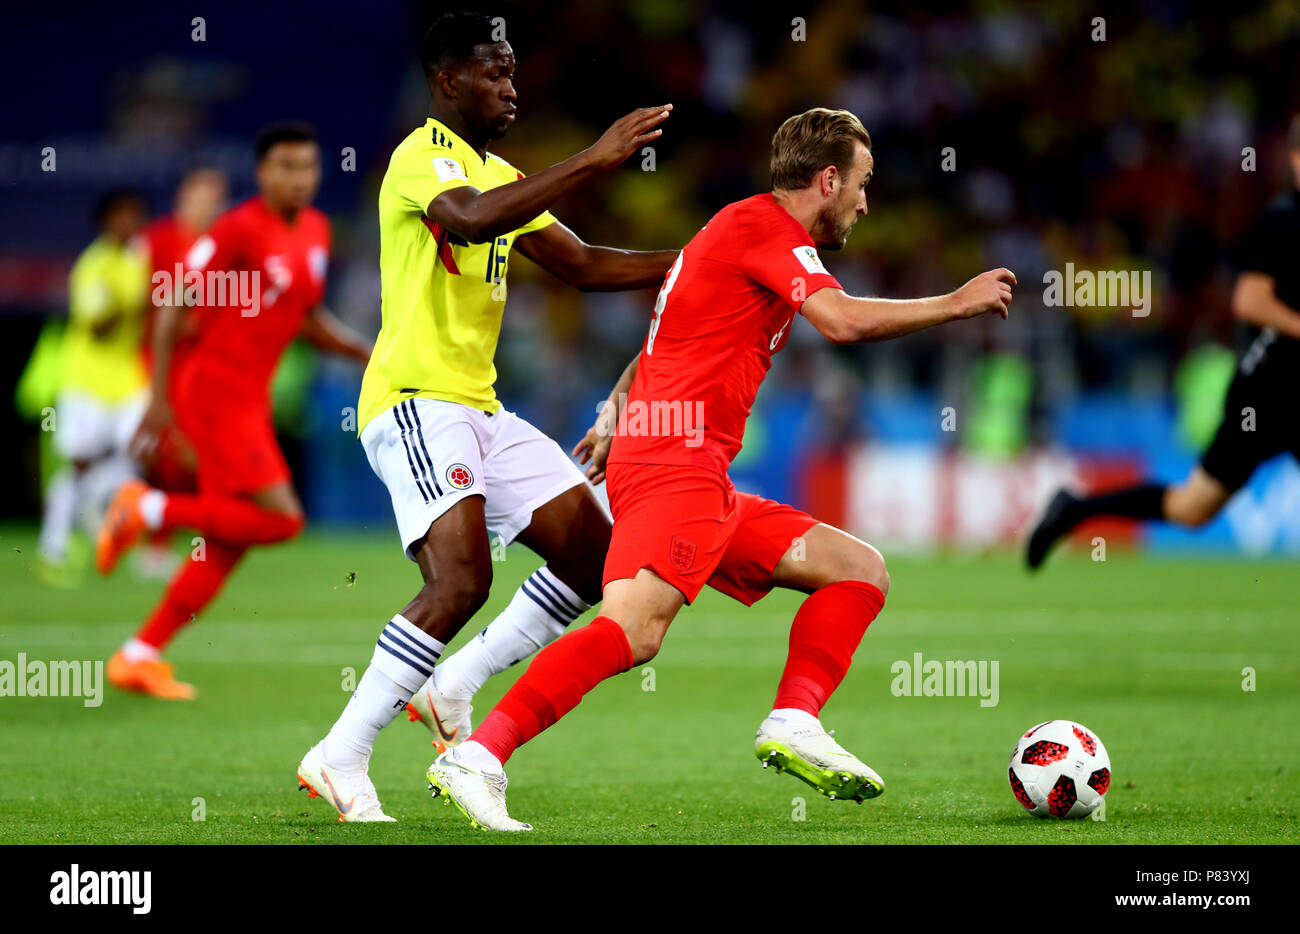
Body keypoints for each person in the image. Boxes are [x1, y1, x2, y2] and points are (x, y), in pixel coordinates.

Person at [427, 107, 1018, 831]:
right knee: (634, 630)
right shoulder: (765, 230)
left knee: (857, 569)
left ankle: (795, 720)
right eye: (862, 184)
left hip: (689, 468)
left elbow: (666, 334)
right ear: (827, 180)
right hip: (677, 466)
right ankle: (480, 754)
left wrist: (619, 407)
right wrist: (956, 303)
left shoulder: (734, 232)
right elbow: (841, 322)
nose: (867, 202)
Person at [296, 10, 678, 823]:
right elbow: (467, 219)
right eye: (494, 73)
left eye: (512, 72)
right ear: (448, 80)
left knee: (596, 556)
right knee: (463, 577)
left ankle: (456, 685)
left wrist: (703, 260)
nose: (511, 86)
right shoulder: (419, 158)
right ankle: (341, 753)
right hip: (412, 401)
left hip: (479, 408)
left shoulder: (498, 170)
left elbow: (581, 265)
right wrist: (595, 157)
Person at [96, 123, 372, 699]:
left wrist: (365, 352)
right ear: (262, 173)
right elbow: (173, 303)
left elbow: (305, 317)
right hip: (215, 392)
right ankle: (147, 508)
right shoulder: (237, 228)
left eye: (309, 167)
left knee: (227, 539)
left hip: (249, 397)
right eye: (287, 167)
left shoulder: (317, 231)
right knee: (284, 519)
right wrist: (159, 397)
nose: (300, 179)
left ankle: (138, 654)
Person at [1026, 116, 1300, 569]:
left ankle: (1074, 510)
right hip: (1269, 392)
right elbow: (1250, 301)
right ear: (1293, 160)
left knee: (1191, 508)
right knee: (1191, 508)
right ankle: (1074, 510)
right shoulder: (1284, 220)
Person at [36, 190, 149, 586]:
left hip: (129, 379)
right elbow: (97, 329)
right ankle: (54, 546)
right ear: (106, 222)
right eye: (122, 216)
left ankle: (112, 535)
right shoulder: (93, 265)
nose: (129, 224)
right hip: (86, 381)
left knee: (140, 454)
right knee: (80, 464)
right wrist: (135, 301)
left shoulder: (143, 258)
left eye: (135, 215)